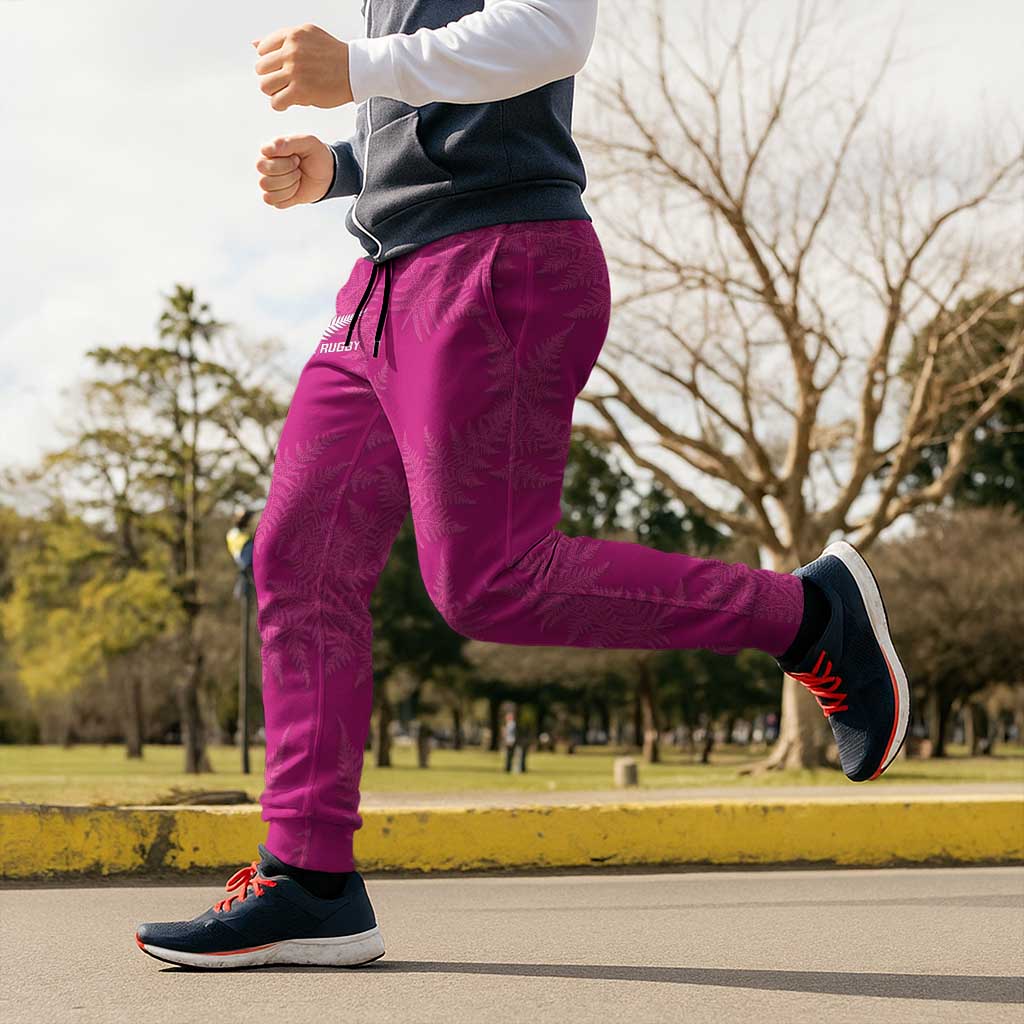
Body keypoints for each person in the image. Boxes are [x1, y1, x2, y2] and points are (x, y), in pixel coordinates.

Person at [135, 0, 910, 969]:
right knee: (298, 555)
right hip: (382, 280)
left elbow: (552, 29)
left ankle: (805, 614)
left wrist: (363, 65)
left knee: (488, 579)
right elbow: (446, 113)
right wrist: (340, 168)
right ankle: (309, 878)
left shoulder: (393, 48)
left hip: (494, 261)